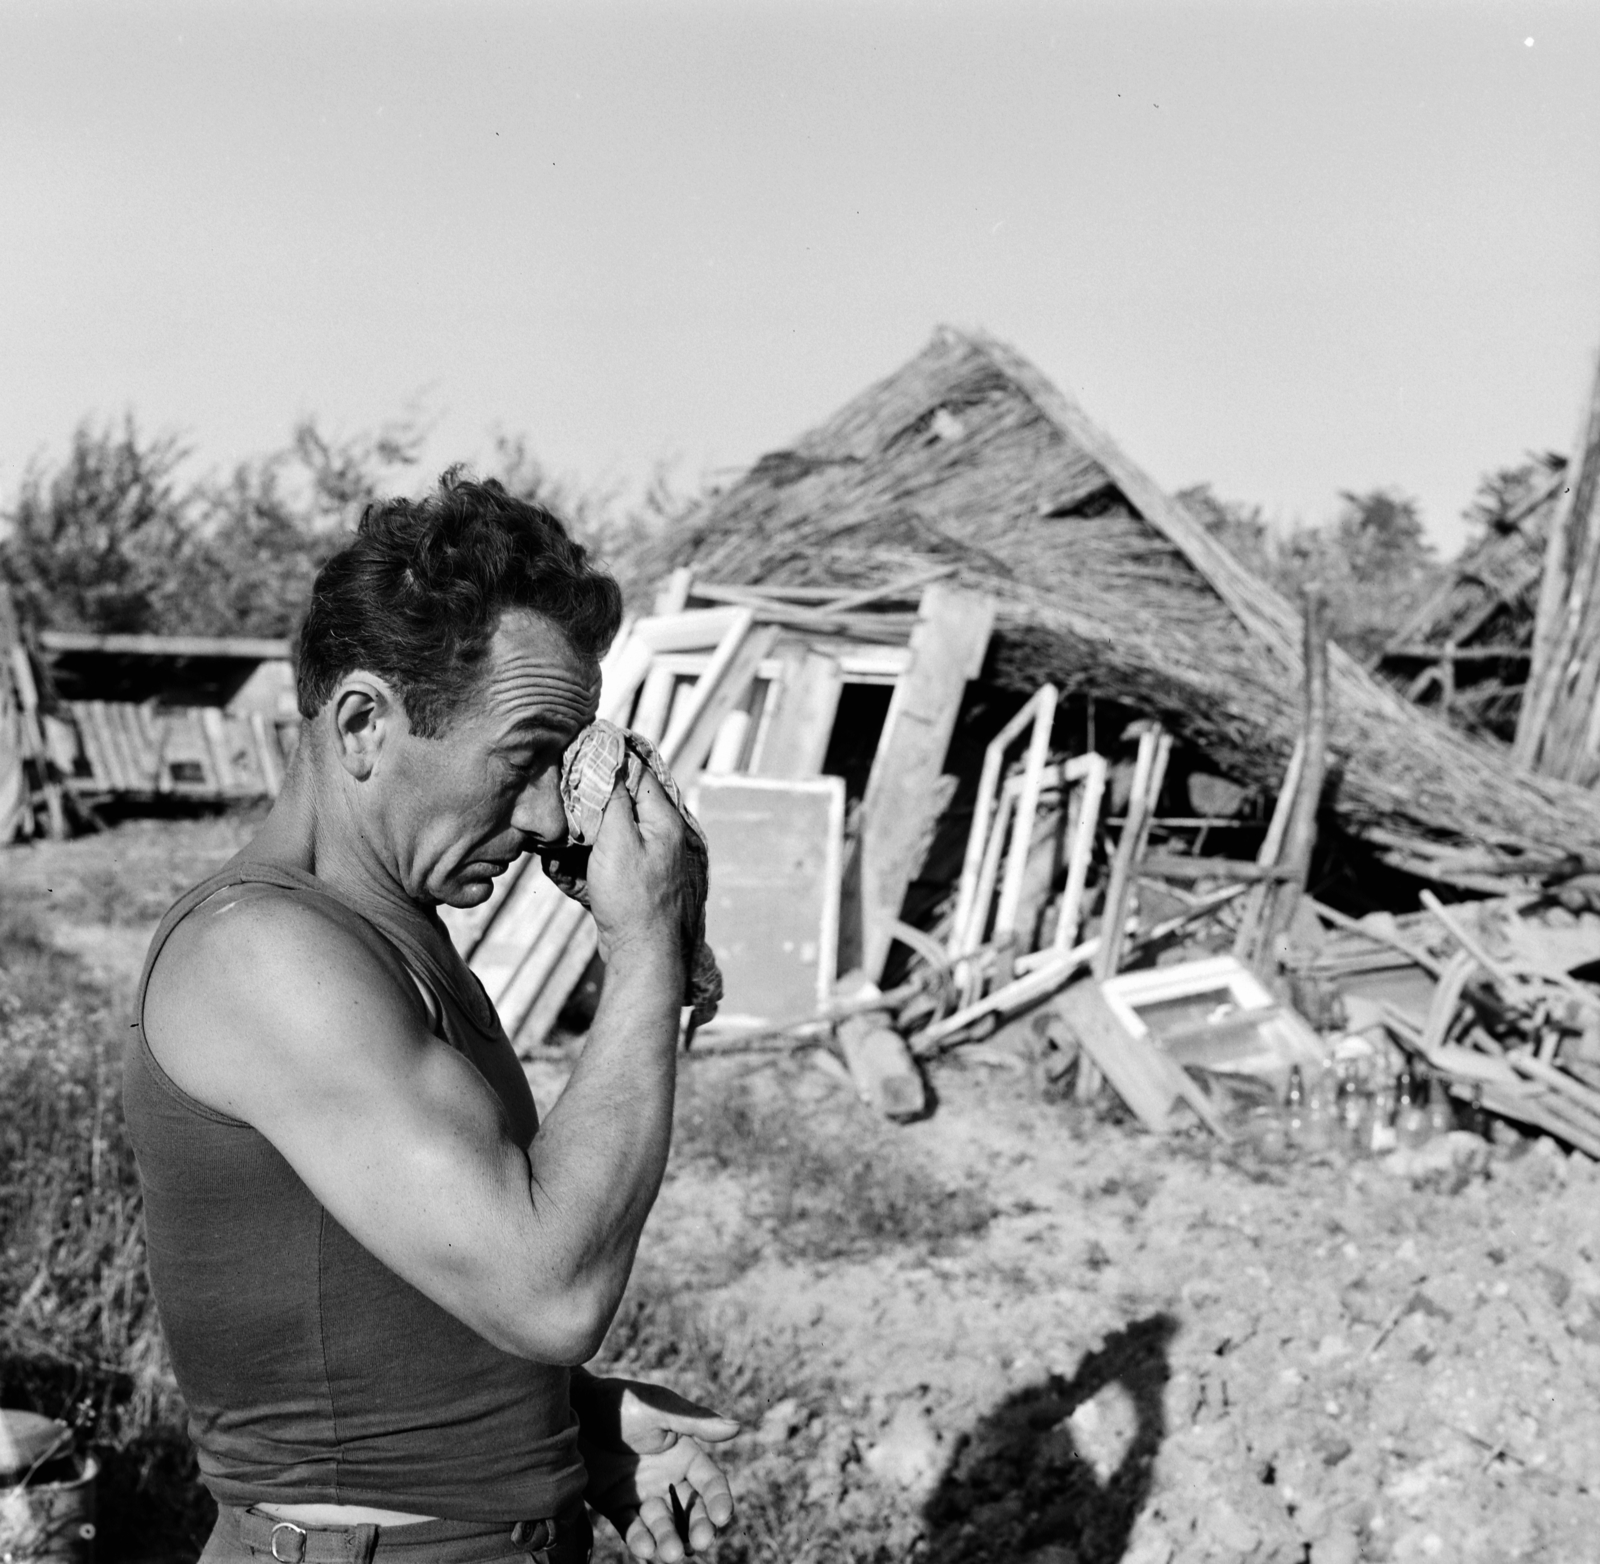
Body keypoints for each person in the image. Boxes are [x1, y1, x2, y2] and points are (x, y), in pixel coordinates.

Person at [125, 474, 738, 1564]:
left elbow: (391, 1293)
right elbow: (548, 1290)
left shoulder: (381, 932)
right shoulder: (265, 954)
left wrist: (570, 1422)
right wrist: (645, 945)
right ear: (364, 722)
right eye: (524, 757)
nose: (553, 811)